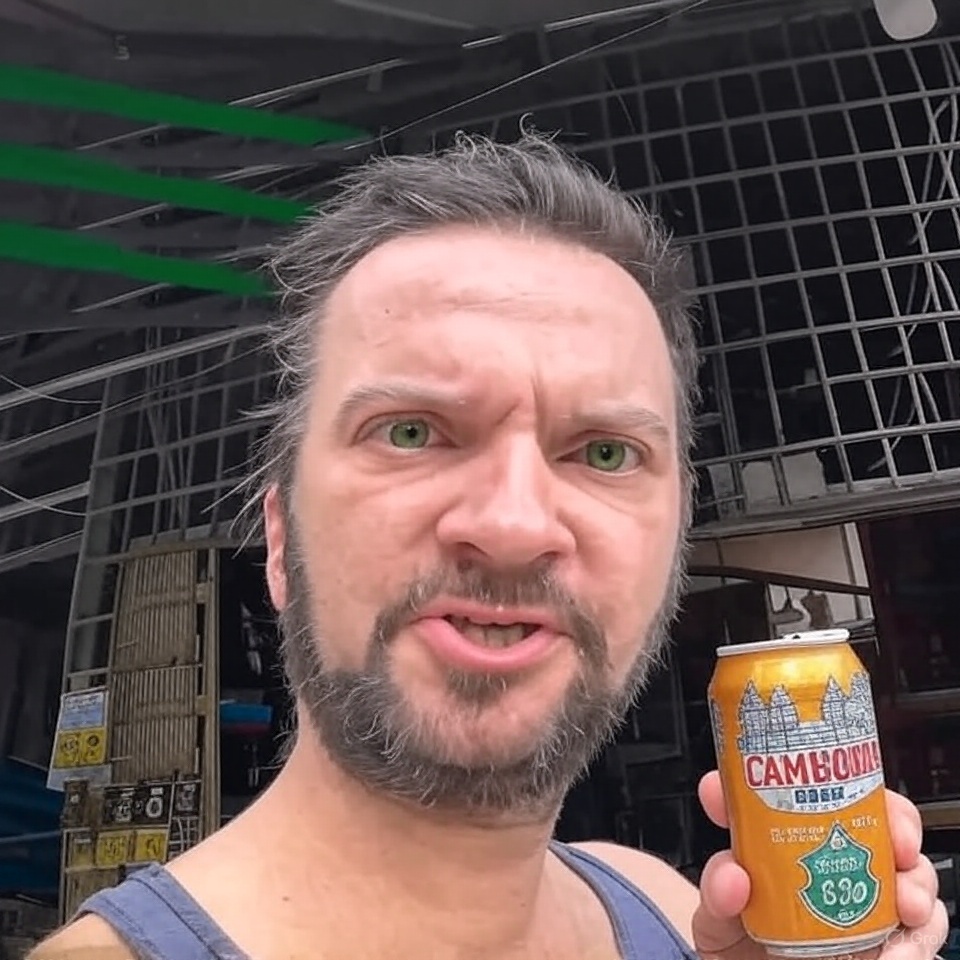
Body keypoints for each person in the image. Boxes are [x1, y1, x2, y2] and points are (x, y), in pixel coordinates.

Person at [31, 133, 945, 960]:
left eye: (604, 452)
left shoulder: (669, 912)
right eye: (412, 433)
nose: (513, 526)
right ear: (279, 538)